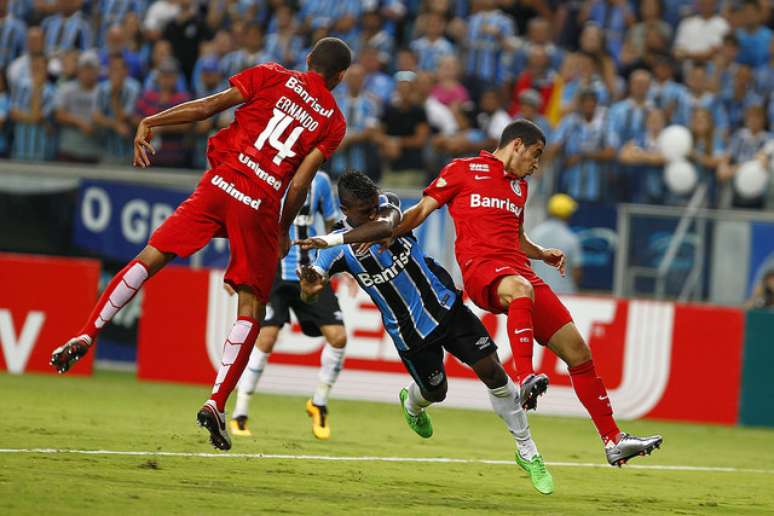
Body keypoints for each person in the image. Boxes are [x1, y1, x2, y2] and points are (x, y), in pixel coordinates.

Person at [49, 37, 352, 453]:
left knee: (149, 257)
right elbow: (300, 182)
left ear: (308, 60)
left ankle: (87, 333)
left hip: (220, 182)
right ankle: (216, 401)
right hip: (260, 202)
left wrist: (152, 121)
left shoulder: (270, 74)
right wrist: (281, 230)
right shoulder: (333, 120)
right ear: (338, 77)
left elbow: (209, 107)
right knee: (252, 305)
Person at [390, 119, 662, 466]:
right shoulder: (462, 169)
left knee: (578, 351)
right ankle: (524, 377)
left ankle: (613, 439)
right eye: (535, 155)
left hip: (518, 269)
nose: (536, 165)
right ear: (516, 144)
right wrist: (390, 234)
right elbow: (422, 210)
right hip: (481, 271)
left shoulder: (519, 188)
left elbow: (516, 237)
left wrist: (542, 252)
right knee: (519, 290)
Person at [296, 170, 554, 494]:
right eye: (367, 210)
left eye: (375, 205)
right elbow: (312, 286)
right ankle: (412, 404)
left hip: (446, 306)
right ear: (347, 210)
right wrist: (309, 287)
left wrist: (333, 238)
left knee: (492, 371)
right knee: (436, 392)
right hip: (410, 333)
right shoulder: (334, 253)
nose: (375, 211)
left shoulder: (385, 204)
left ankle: (528, 451)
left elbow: (387, 226)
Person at [231, 170, 347, 441]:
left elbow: (332, 225)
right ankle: (240, 412)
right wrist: (239, 265)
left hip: (311, 270)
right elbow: (243, 224)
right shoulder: (267, 173)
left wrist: (342, 263)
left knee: (338, 337)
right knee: (265, 339)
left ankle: (318, 403)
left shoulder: (320, 181)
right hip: (273, 271)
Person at [530, 194, 582, 294]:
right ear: (569, 214)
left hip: (538, 291)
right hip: (564, 294)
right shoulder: (570, 238)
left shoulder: (535, 233)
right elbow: (576, 272)